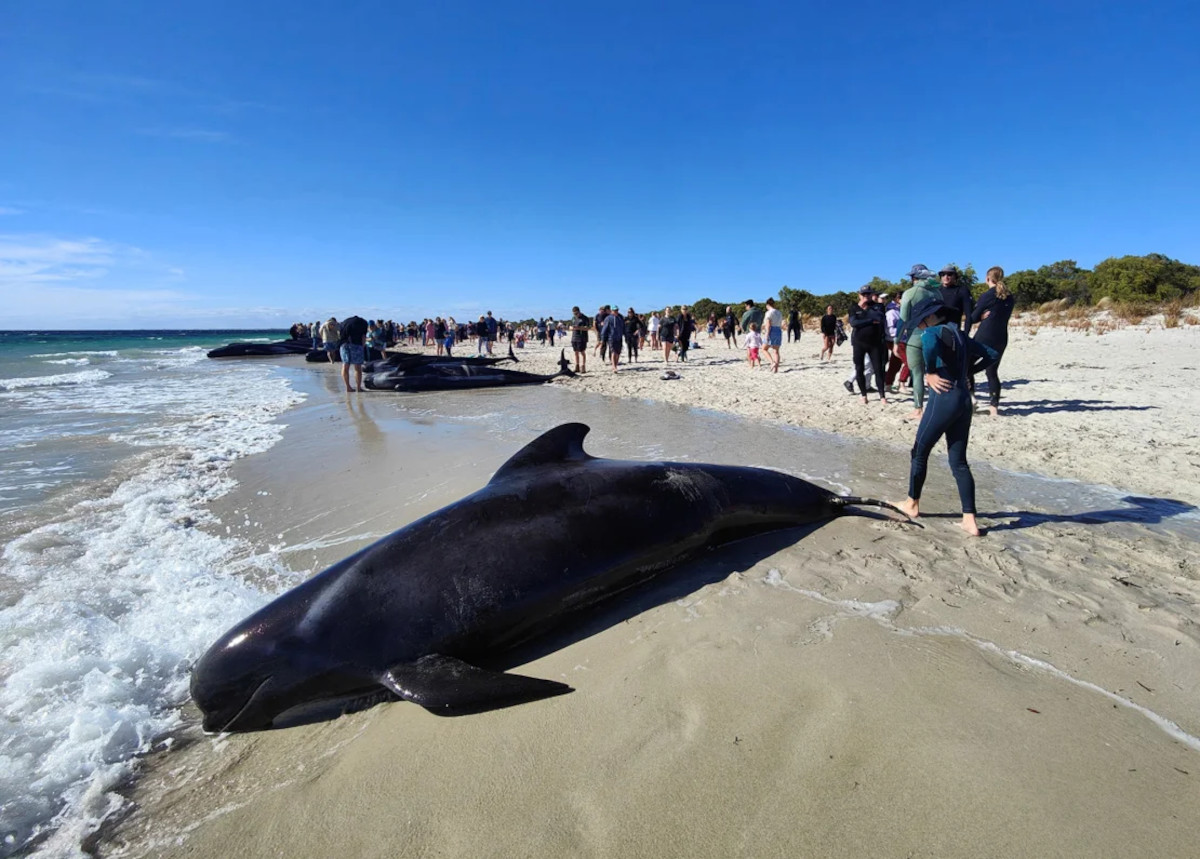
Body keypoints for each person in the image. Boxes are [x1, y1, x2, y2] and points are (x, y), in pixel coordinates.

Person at [895, 298, 999, 537]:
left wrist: (930, 372)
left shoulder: (933, 331)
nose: (920, 327)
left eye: (920, 322)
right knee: (959, 461)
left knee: (919, 451)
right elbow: (992, 354)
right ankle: (969, 520)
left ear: (930, 317)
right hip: (964, 399)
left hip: (944, 398)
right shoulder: (961, 335)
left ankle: (911, 504)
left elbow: (929, 343)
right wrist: (967, 371)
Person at [970, 266, 1016, 417]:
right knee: (992, 372)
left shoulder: (988, 295)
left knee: (967, 366)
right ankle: (994, 407)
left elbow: (973, 317)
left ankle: (971, 398)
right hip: (1001, 337)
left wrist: (980, 317)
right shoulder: (1010, 296)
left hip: (985, 335)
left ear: (988, 279)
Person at [899, 264, 942, 420]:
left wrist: (897, 341)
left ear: (913, 278)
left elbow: (903, 319)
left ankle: (918, 409)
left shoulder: (910, 293)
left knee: (917, 374)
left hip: (914, 337)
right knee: (935, 372)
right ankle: (934, 407)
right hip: (935, 335)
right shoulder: (937, 292)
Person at [847, 286, 888, 404]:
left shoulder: (878, 306)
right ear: (859, 295)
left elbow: (879, 318)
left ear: (871, 295)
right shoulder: (854, 308)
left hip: (874, 343)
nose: (866, 296)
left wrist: (865, 316)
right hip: (858, 343)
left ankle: (882, 396)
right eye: (864, 294)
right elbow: (854, 323)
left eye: (868, 294)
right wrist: (869, 321)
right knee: (859, 369)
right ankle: (863, 395)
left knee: (878, 369)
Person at [938, 265, 975, 333]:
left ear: (955, 276)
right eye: (943, 274)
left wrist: (965, 334)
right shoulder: (936, 291)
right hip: (937, 331)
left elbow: (969, 315)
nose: (946, 277)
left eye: (949, 274)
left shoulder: (962, 291)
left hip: (953, 331)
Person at [339, 314, 369, 392]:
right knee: (357, 367)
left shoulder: (345, 322)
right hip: (356, 344)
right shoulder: (363, 323)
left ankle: (348, 387)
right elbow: (363, 336)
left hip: (344, 345)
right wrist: (362, 346)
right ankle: (358, 388)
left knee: (345, 366)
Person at [600, 306, 626, 373]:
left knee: (618, 353)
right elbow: (604, 329)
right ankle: (614, 366)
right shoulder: (608, 318)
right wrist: (603, 338)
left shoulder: (620, 318)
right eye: (614, 310)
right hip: (611, 337)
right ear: (611, 311)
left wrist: (625, 335)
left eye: (617, 310)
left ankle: (616, 365)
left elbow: (623, 327)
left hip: (619, 337)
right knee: (613, 352)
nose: (616, 311)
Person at [762, 298, 783, 372]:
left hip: (771, 330)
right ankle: (776, 369)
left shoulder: (768, 313)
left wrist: (766, 334)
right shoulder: (779, 312)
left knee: (764, 349)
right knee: (776, 351)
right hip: (778, 330)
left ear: (767, 305)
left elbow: (768, 324)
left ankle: (772, 362)